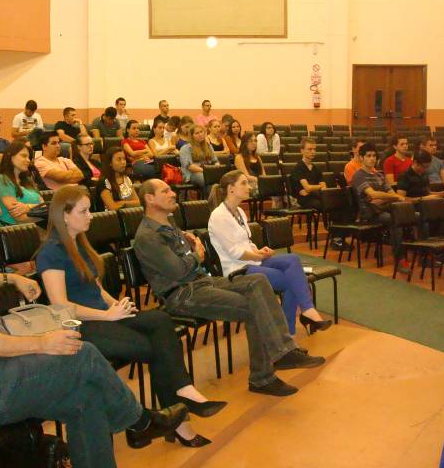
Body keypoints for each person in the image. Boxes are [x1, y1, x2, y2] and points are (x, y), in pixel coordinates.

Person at [0, 198, 187, 468]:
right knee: (83, 353)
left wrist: (12, 277)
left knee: (87, 398)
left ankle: (138, 425)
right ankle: (140, 422)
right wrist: (42, 343)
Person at [38, 185, 224, 448]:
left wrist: (117, 305)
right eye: (84, 211)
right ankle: (172, 420)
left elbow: (96, 289)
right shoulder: (51, 252)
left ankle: (178, 402)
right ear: (64, 215)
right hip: (83, 326)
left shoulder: (79, 244)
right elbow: (60, 306)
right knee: (155, 348)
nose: (90, 216)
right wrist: (108, 316)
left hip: (105, 316)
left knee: (160, 320)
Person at [134, 179, 325, 397]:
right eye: (165, 191)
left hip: (201, 282)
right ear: (149, 198)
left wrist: (190, 244)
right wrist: (197, 254)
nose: (172, 193)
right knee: (255, 306)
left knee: (258, 281)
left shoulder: (169, 223)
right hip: (182, 294)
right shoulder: (148, 236)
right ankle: (266, 373)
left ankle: (280, 356)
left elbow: (180, 256)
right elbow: (178, 270)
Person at [207, 171, 331, 335]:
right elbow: (234, 253)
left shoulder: (239, 212)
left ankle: (304, 314)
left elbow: (246, 242)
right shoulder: (218, 216)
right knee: (291, 281)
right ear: (231, 188)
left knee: (293, 259)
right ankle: (292, 328)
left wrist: (258, 250)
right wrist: (258, 255)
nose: (249, 187)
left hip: (252, 261)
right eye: (244, 183)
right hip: (237, 269)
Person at [350, 142, 406, 253]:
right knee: (396, 219)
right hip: (370, 213)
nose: (372, 159)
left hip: (383, 208)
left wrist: (386, 198)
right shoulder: (358, 175)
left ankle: (420, 252)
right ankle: (399, 256)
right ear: (361, 158)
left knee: (415, 215)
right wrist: (394, 197)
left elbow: (391, 193)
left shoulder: (379, 175)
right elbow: (373, 194)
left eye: (374, 156)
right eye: (368, 156)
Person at [0, 140, 45, 225]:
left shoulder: (28, 180)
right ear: (10, 156)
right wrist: (44, 215)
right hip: (16, 230)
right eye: (24, 156)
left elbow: (44, 206)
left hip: (38, 226)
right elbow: (20, 218)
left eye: (29, 157)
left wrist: (28, 207)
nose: (28, 160)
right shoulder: (2, 180)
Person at [95, 147, 140, 211]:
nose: (123, 162)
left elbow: (137, 202)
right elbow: (112, 207)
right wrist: (130, 203)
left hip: (128, 214)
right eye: (119, 159)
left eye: (124, 159)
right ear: (110, 163)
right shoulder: (104, 182)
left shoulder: (126, 178)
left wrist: (123, 203)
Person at [290, 137, 326, 210]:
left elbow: (324, 187)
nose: (313, 152)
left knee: (333, 202)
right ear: (302, 151)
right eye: (309, 149)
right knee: (324, 204)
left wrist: (311, 188)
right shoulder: (299, 167)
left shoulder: (316, 168)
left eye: (314, 149)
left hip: (315, 196)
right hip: (304, 199)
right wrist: (319, 187)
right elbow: (307, 187)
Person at [179, 125, 218, 189]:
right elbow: (190, 167)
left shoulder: (208, 146)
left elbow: (215, 161)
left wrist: (217, 169)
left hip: (208, 172)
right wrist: (207, 172)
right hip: (193, 174)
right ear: (192, 136)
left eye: (201, 132)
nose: (200, 135)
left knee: (222, 178)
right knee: (206, 179)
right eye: (197, 133)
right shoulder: (185, 148)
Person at [234, 132, 265, 196]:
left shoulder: (258, 157)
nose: (254, 143)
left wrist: (263, 181)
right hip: (248, 185)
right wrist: (261, 181)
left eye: (255, 141)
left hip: (260, 184)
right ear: (244, 143)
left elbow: (264, 174)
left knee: (277, 190)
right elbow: (246, 176)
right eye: (250, 141)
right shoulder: (239, 157)